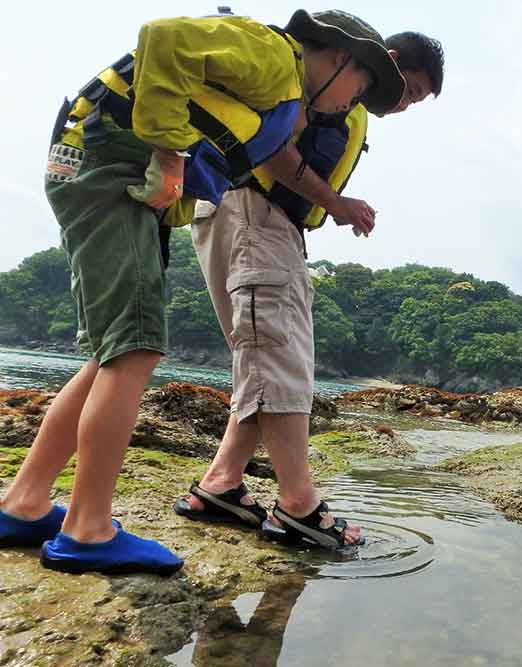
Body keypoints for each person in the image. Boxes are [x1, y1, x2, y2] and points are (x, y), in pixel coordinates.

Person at [0, 8, 395, 575]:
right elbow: (162, 37)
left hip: (106, 169)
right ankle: (87, 531)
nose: (356, 101)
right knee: (135, 349)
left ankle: (25, 501)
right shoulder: (274, 57)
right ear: (337, 58)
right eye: (364, 84)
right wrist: (164, 152)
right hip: (111, 163)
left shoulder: (279, 89)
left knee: (110, 355)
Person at [172, 16, 444, 549]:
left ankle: (221, 483)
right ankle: (298, 505)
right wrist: (337, 203)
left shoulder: (347, 100)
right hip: (254, 211)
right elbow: (273, 148)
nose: (405, 105)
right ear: (382, 63)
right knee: (279, 357)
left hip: (265, 222)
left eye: (416, 100)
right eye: (409, 90)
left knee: (266, 357)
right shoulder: (320, 80)